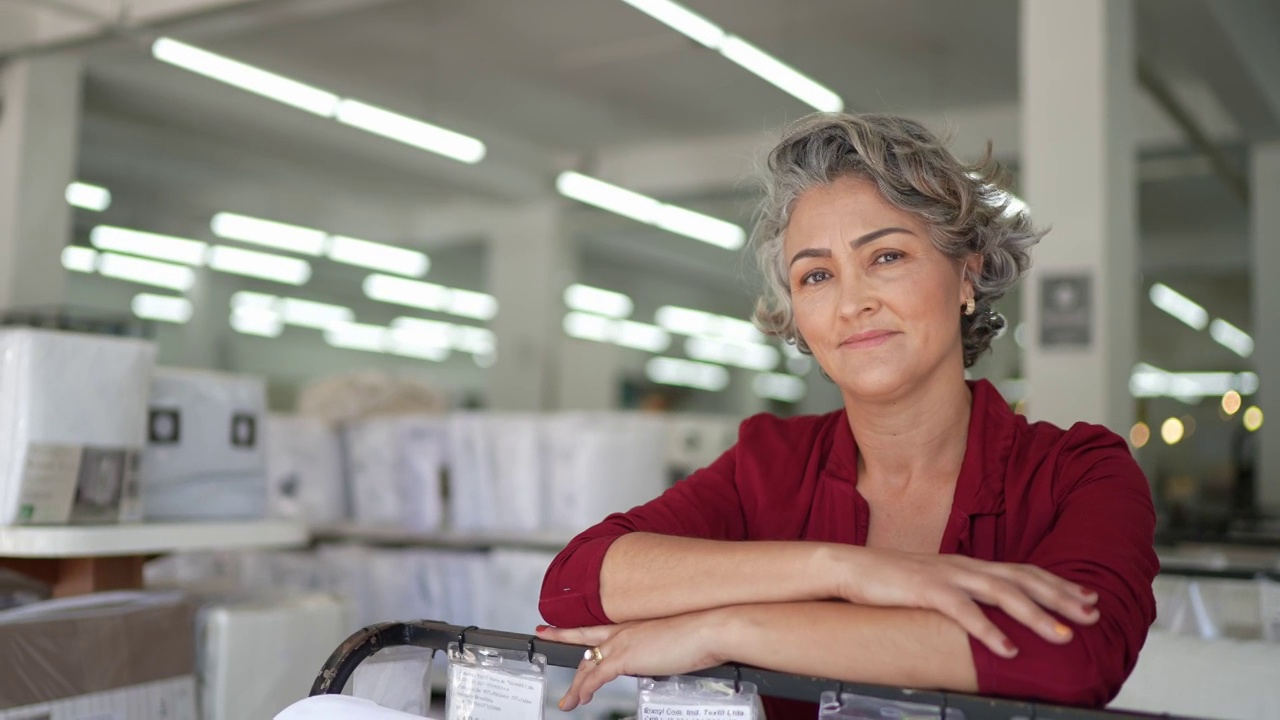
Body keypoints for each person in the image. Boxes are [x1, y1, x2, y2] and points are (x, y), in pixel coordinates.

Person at [536, 112, 1158, 719]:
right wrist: (842, 570)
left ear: (966, 273)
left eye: (886, 256)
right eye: (817, 275)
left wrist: (726, 628)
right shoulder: (769, 464)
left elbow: (1073, 656)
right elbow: (574, 583)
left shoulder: (1077, 473)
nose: (852, 302)